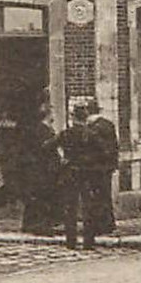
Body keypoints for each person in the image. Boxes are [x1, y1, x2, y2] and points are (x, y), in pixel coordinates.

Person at [57, 102, 100, 249]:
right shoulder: (92, 135)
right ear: (86, 117)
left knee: (70, 208)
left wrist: (63, 158)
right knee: (88, 208)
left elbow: (47, 146)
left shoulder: (66, 134)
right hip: (87, 175)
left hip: (70, 173)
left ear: (73, 117)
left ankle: (71, 242)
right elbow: (102, 153)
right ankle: (89, 242)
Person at [19, 100, 63, 234]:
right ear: (47, 115)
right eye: (52, 113)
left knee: (39, 195)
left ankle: (33, 223)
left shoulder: (44, 129)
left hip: (42, 167)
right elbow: (43, 148)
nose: (54, 116)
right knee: (40, 195)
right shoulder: (41, 130)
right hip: (41, 168)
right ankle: (38, 224)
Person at [84, 100, 119, 236]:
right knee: (104, 196)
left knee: (97, 197)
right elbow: (115, 146)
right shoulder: (108, 124)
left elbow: (96, 148)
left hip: (96, 168)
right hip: (106, 167)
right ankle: (108, 224)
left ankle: (100, 226)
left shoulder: (93, 128)